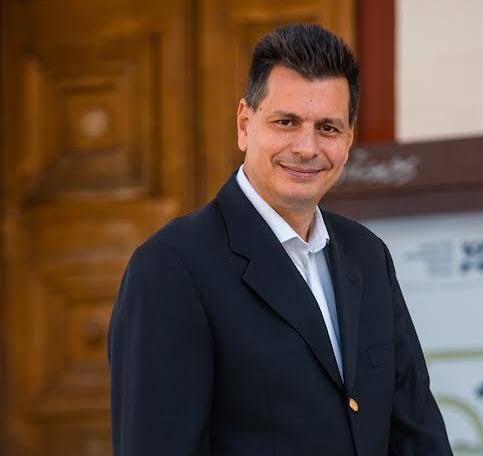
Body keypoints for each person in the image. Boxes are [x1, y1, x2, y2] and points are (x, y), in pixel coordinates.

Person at [108, 23, 452, 455]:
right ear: (244, 124)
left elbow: (417, 434)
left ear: (349, 139)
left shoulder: (368, 257)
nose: (307, 147)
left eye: (328, 128)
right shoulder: (170, 267)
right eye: (286, 122)